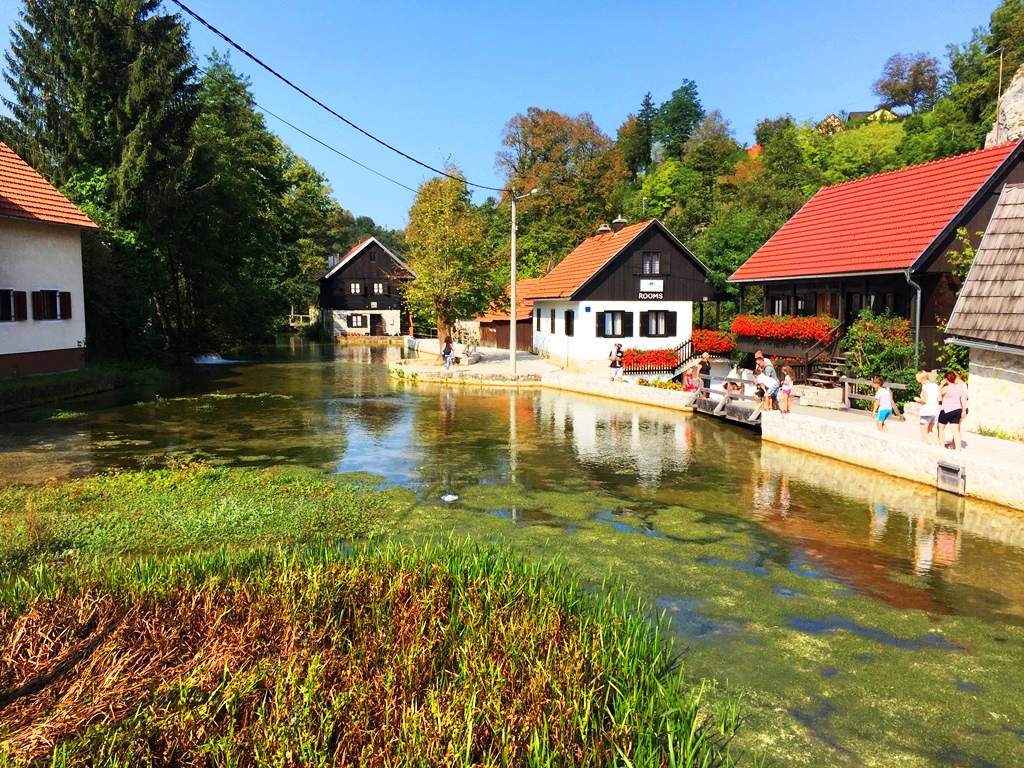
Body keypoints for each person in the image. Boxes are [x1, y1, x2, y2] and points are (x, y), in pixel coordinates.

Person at [938, 371, 967, 451]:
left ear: (946, 379)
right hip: (957, 410)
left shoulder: (946, 388)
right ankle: (958, 448)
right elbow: (963, 400)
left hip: (947, 410)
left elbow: (939, 399)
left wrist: (940, 386)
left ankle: (941, 446)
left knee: (940, 428)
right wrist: (963, 411)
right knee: (955, 430)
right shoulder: (960, 388)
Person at [914, 370, 940, 445]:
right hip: (935, 409)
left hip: (927, 409)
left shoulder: (925, 386)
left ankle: (924, 446)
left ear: (922, 379)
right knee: (930, 429)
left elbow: (925, 400)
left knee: (924, 431)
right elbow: (938, 398)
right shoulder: (935, 385)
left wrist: (918, 400)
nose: (919, 382)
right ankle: (938, 445)